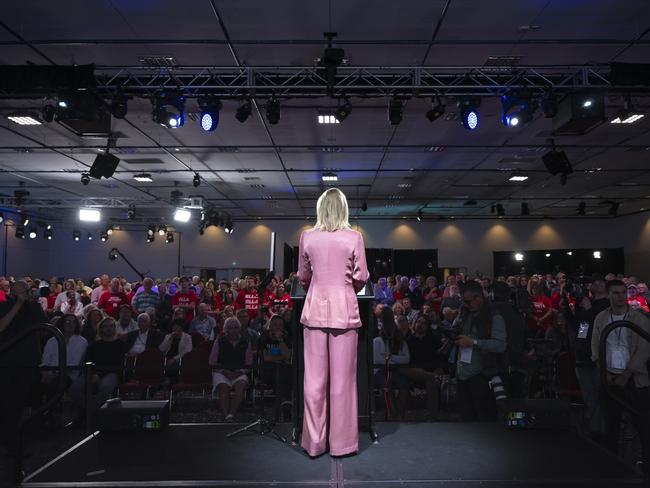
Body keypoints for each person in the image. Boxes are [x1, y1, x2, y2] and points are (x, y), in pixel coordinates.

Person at [298, 187, 369, 457]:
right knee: (342, 383)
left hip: (314, 311)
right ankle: (342, 445)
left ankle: (314, 444)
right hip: (345, 313)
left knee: (314, 382)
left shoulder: (307, 237)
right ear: (343, 209)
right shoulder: (354, 238)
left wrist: (317, 287)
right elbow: (361, 277)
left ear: (320, 209)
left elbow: (303, 277)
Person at [591, 279, 650, 454]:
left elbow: (644, 348)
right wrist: (603, 369)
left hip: (634, 379)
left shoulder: (639, 318)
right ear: (608, 294)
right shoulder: (601, 317)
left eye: (623, 293)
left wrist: (627, 373)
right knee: (611, 423)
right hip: (608, 376)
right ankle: (612, 463)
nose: (620, 297)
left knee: (641, 422)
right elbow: (595, 346)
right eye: (616, 293)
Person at [0, 280, 47, 461]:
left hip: (27, 361)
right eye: (17, 292)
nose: (21, 295)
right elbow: (1, 326)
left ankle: (16, 444)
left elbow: (43, 328)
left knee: (20, 404)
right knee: (7, 405)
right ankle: (10, 445)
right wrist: (18, 305)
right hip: (6, 361)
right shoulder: (4, 306)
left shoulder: (34, 308)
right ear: (11, 292)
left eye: (24, 292)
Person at [454, 281, 507, 421]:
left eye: (468, 301)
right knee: (466, 420)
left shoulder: (494, 316)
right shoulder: (466, 313)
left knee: (485, 421)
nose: (465, 305)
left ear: (479, 298)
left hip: (482, 375)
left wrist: (474, 342)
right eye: (463, 301)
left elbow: (500, 345)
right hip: (462, 375)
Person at [69, 317, 126, 414]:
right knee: (74, 389)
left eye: (111, 326)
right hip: (92, 372)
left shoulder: (121, 345)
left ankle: (90, 413)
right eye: (106, 326)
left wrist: (99, 375)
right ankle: (91, 411)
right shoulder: (93, 345)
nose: (109, 328)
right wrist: (92, 374)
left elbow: (117, 364)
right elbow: (87, 361)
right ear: (101, 328)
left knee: (105, 386)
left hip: (112, 373)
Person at [208, 317, 253, 421]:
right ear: (226, 329)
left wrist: (239, 372)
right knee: (224, 388)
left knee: (240, 388)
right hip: (221, 371)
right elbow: (212, 362)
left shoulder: (246, 342)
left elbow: (249, 363)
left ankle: (231, 414)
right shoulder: (218, 342)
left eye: (235, 327)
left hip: (240, 371)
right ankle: (225, 415)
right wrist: (224, 371)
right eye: (230, 328)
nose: (233, 330)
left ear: (239, 329)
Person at [373, 307, 411, 421]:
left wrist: (389, 357)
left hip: (395, 370)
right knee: (387, 386)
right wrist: (392, 359)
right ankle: (391, 413)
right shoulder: (377, 341)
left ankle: (400, 414)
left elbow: (406, 359)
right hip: (380, 371)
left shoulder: (399, 341)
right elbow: (378, 360)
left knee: (404, 385)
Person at [40, 314, 88, 399]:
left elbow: (74, 363)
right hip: (48, 374)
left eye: (73, 322)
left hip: (69, 375)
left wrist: (54, 374)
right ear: (62, 323)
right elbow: (45, 360)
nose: (71, 324)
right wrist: (45, 374)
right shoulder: (52, 341)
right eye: (68, 321)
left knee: (56, 383)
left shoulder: (82, 342)